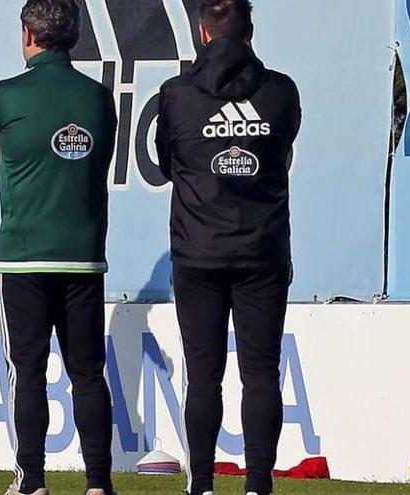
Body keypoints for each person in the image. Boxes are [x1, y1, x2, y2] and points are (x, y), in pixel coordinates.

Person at [0, 1, 118, 494]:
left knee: (27, 372)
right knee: (88, 373)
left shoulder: (3, 96)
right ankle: (98, 483)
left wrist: (18, 153)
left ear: (28, 34)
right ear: (72, 36)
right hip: (84, 257)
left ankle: (31, 481)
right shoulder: (98, 98)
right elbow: (95, 161)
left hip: (22, 258)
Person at [154, 0, 302, 494]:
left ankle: (202, 485)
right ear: (250, 30)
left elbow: (165, 166)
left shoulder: (175, 95)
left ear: (202, 33)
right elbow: (282, 154)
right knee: (260, 372)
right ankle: (258, 485)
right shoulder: (281, 92)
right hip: (262, 250)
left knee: (204, 374)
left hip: (198, 252)